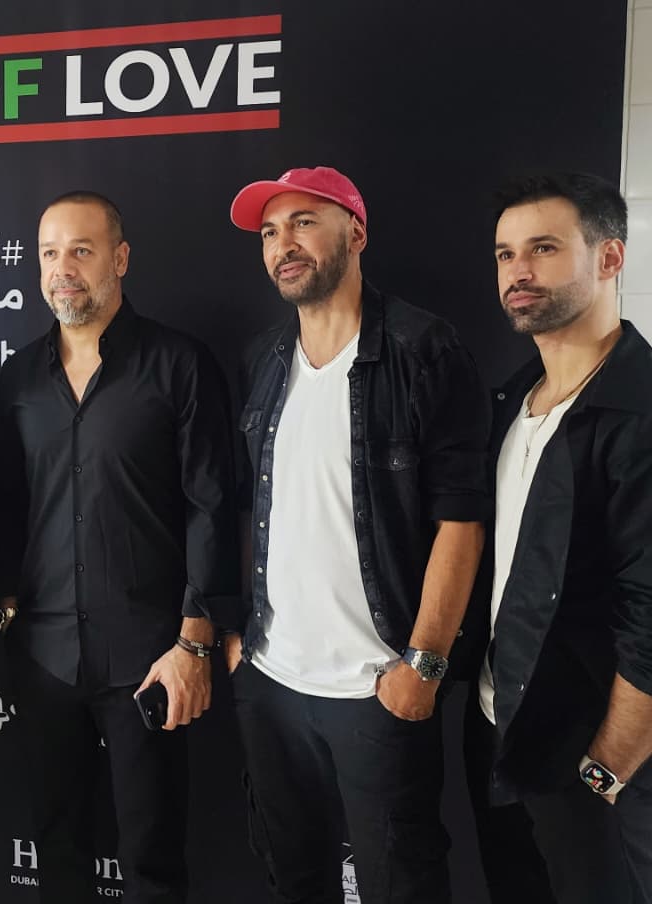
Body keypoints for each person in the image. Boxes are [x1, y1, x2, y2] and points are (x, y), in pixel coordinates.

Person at [228, 166, 490, 902]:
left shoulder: (422, 350)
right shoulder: (262, 360)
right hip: (272, 683)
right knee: (294, 880)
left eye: (304, 223)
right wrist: (239, 640)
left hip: (376, 688)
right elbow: (251, 509)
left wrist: (424, 666)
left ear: (357, 233)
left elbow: (462, 521)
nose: (283, 244)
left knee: (400, 884)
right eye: (270, 232)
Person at [0, 190, 237, 903]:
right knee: (56, 848)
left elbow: (212, 508)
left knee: (152, 859)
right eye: (49, 253)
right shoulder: (18, 378)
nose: (62, 269)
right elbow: (4, 506)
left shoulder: (180, 364)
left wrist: (193, 642)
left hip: (151, 657)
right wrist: (5, 609)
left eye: (81, 250)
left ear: (120, 259)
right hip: (43, 656)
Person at [464, 171, 652, 903]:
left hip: (595, 761)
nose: (518, 271)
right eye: (505, 254)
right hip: (504, 730)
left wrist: (608, 769)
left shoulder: (639, 413)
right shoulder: (512, 400)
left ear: (610, 257)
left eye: (543, 248)